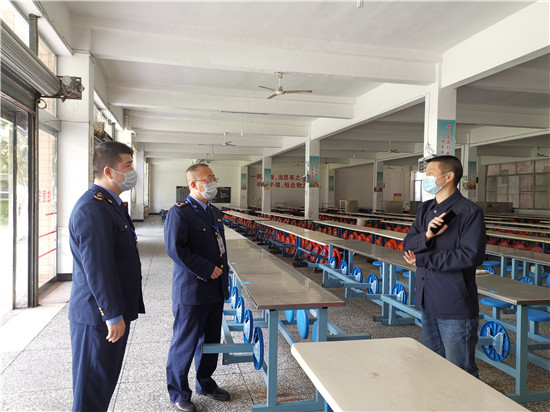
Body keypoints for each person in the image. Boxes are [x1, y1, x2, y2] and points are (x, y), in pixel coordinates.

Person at [68, 141, 145, 411]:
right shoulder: (93, 208)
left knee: (103, 384)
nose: (133, 171)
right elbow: (98, 267)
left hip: (110, 311)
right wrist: (112, 314)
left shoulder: (110, 204)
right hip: (98, 316)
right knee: (91, 390)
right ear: (109, 171)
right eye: (128, 165)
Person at [403, 155, 486, 377]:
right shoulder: (425, 209)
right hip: (428, 298)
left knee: (460, 371)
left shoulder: (469, 211)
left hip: (454, 302)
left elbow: (471, 256)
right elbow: (408, 244)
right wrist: (427, 235)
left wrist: (424, 259)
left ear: (448, 177)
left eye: (430, 173)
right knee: (432, 365)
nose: (426, 178)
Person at [164, 163, 230, 412]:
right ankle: (179, 392)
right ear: (193, 184)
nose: (214, 183)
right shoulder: (180, 213)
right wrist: (205, 268)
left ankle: (205, 382)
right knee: (185, 343)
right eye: (208, 179)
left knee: (210, 341)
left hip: (215, 288)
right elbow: (175, 250)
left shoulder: (214, 212)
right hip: (192, 290)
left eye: (214, 178)